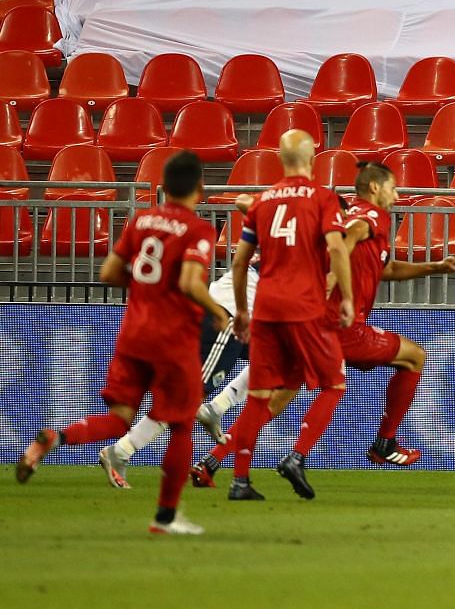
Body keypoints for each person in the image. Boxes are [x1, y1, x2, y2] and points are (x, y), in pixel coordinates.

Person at [15, 152, 229, 535]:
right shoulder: (198, 230)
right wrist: (218, 311)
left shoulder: (141, 221)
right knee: (181, 425)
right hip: (172, 339)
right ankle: (165, 517)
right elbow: (189, 283)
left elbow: (109, 272)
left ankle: (56, 437)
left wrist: (146, 286)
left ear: (163, 186)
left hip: (133, 334)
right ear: (200, 188)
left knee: (119, 420)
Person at [208, 129, 352, 501]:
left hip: (267, 308)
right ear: (312, 158)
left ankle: (240, 481)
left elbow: (239, 261)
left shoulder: (263, 202)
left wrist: (241, 310)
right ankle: (297, 455)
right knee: (333, 384)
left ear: (280, 161)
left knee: (257, 395)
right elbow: (336, 249)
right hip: (303, 306)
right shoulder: (323, 198)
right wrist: (347, 297)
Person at [334, 161, 455, 465]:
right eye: (393, 188)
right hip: (343, 326)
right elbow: (346, 239)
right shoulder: (371, 216)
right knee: (415, 357)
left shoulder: (352, 214)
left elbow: (388, 268)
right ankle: (385, 441)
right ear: (375, 188)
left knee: (277, 392)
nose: (396, 196)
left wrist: (435, 267)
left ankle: (219, 454)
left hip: (321, 324)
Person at [98, 246, 252, 488]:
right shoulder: (307, 245)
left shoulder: (285, 232)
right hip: (227, 318)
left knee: (276, 359)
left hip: (239, 319)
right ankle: (121, 451)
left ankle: (216, 408)